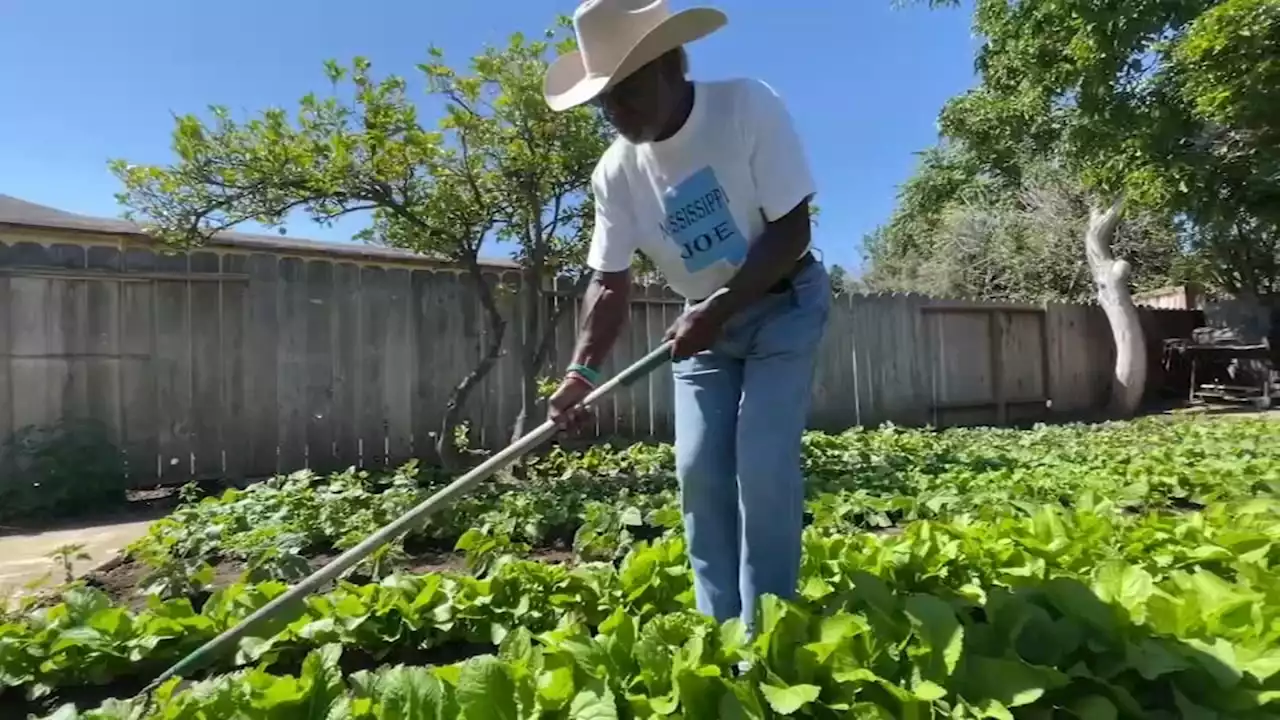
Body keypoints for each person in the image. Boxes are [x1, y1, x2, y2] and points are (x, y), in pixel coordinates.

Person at [543, 0, 831, 632]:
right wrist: (579, 376)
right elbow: (608, 284)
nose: (616, 112)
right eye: (605, 102)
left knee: (761, 465)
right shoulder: (614, 173)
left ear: (671, 63)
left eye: (627, 91)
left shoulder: (744, 106)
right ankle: (720, 631)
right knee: (699, 471)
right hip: (702, 327)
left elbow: (792, 232)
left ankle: (770, 630)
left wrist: (722, 307)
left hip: (784, 304)